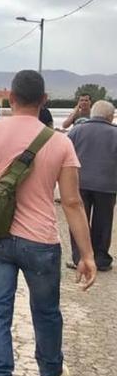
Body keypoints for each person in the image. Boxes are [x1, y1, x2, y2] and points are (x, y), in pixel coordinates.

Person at [0, 70, 96, 376]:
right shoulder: (59, 142)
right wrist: (87, 255)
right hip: (41, 242)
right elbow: (72, 203)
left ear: (10, 98)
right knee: (46, 312)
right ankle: (51, 372)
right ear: (44, 100)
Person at [67, 100, 117, 272]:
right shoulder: (115, 133)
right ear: (110, 116)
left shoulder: (77, 130)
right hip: (107, 186)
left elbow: (66, 154)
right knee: (103, 223)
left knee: (78, 220)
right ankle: (101, 259)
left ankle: (79, 258)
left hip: (79, 183)